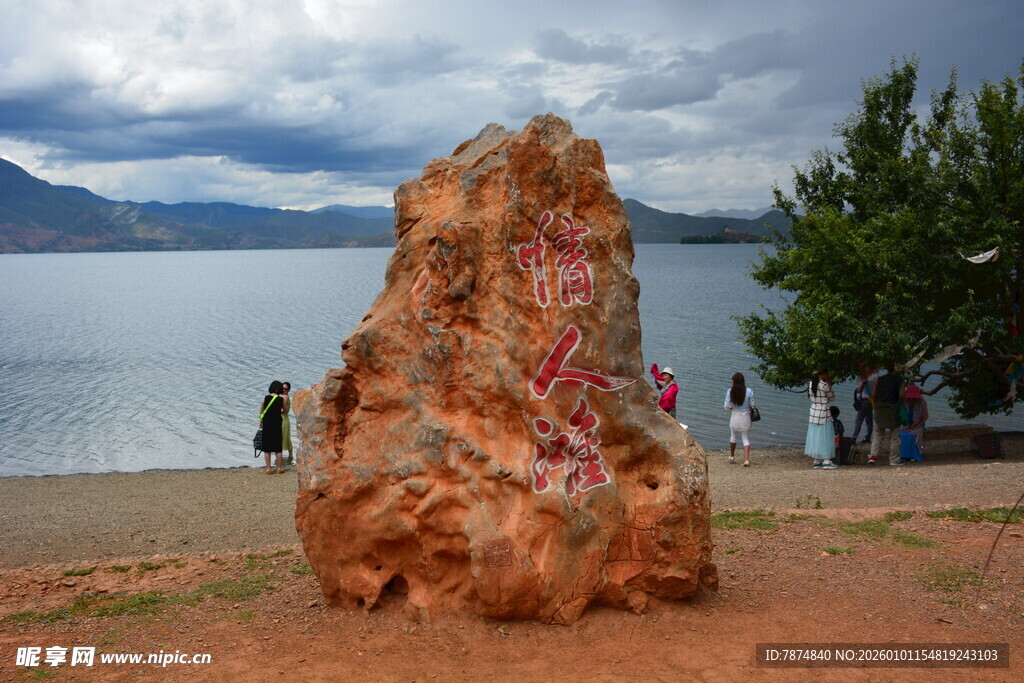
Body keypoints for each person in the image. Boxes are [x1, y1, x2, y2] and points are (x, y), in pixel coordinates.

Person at [870, 365, 904, 466]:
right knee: (895, 436)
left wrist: (876, 405)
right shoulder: (900, 380)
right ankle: (894, 460)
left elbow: (873, 395)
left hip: (879, 409)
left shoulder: (880, 379)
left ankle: (872, 456)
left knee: (878, 434)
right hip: (892, 409)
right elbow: (902, 395)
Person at [805, 371, 837, 469]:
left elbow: (810, 396)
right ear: (822, 375)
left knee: (815, 436)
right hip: (824, 413)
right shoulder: (824, 385)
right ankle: (827, 460)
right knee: (825, 436)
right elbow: (832, 398)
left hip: (814, 412)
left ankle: (817, 460)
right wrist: (830, 385)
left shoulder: (811, 384)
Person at [724, 372, 754, 466]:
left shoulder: (730, 391)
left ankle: (732, 456)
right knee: (745, 438)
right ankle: (746, 459)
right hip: (746, 417)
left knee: (733, 436)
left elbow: (726, 406)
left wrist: (733, 408)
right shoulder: (749, 391)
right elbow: (752, 405)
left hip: (735, 416)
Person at [897, 385, 929, 465]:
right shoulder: (904, 403)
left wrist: (917, 426)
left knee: (915, 434)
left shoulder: (922, 403)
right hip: (905, 425)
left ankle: (914, 455)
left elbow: (925, 416)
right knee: (905, 435)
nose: (913, 399)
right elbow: (900, 416)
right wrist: (906, 426)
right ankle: (905, 455)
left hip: (918, 424)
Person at [260, 380, 285, 474]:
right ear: (278, 389)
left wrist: (261, 421)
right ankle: (280, 468)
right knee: (278, 448)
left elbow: (261, 411)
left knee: (267, 448)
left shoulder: (264, 398)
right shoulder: (280, 399)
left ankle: (268, 469)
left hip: (267, 424)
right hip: (277, 424)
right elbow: (285, 410)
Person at [851, 365, 877, 443]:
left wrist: (857, 395)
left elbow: (859, 390)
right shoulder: (875, 377)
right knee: (869, 421)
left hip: (864, 401)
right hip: (870, 401)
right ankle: (868, 438)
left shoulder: (866, 379)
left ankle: (853, 438)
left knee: (859, 420)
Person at [281, 382, 293, 466]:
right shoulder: (280, 397)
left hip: (283, 419)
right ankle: (290, 456)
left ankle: (289, 455)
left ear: (288, 390)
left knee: (284, 438)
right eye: (283, 388)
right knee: (284, 438)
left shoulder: (285, 397)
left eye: (286, 389)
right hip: (282, 419)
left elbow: (285, 411)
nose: (284, 390)